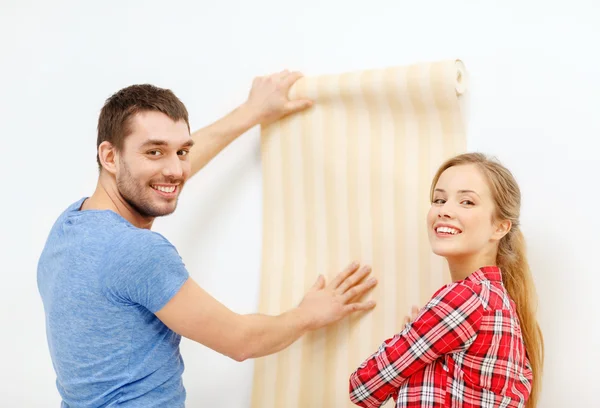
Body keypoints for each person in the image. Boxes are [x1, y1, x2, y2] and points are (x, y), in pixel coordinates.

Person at [37, 70, 378, 407]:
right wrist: (308, 314)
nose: (174, 169)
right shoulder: (137, 251)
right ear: (109, 157)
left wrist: (249, 113)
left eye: (181, 151)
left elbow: (161, 176)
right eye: (154, 152)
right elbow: (241, 341)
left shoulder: (70, 225)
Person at [348, 153, 544, 408]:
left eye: (466, 202)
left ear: (500, 227)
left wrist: (413, 336)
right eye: (439, 200)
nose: (445, 211)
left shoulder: (464, 299)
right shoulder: (498, 303)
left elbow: (363, 387)